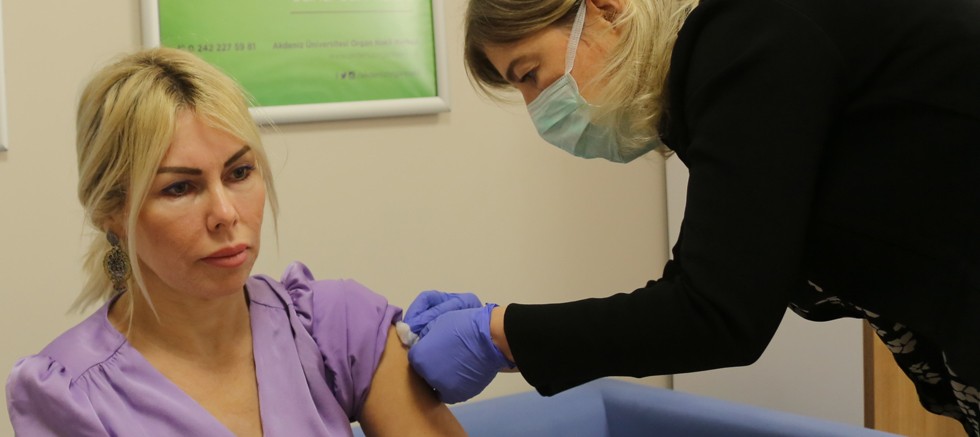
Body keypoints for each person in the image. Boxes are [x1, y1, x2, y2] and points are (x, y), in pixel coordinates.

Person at [402, 0, 980, 435]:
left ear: (604, 9)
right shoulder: (731, 65)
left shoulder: (753, 38)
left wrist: (498, 332)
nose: (538, 110)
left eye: (530, 74)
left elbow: (716, 312)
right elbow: (716, 281)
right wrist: (504, 333)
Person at [4, 47, 465, 437]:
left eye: (240, 172)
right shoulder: (72, 394)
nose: (225, 214)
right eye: (179, 188)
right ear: (113, 213)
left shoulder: (334, 326)